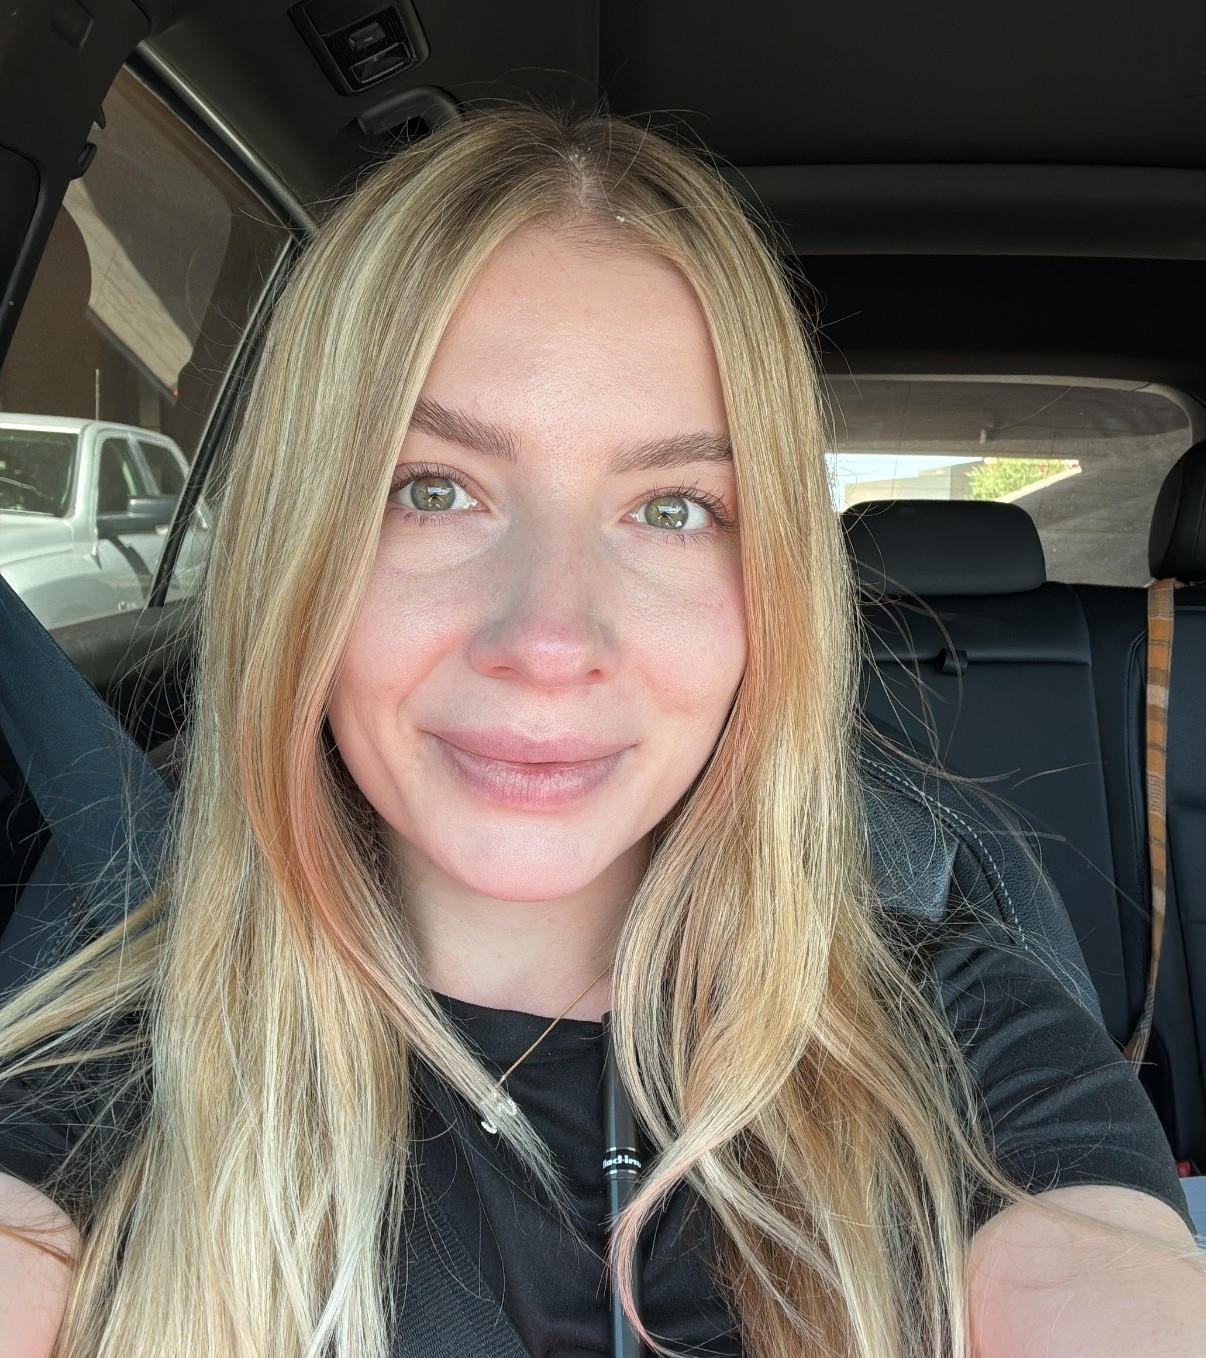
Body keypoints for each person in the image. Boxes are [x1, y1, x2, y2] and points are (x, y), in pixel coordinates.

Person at [0, 107, 1202, 1358]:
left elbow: (1098, 1267)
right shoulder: (114, 1050)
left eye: (673, 507)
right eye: (432, 490)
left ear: (773, 591)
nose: (550, 633)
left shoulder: (959, 1028)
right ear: (298, 542)